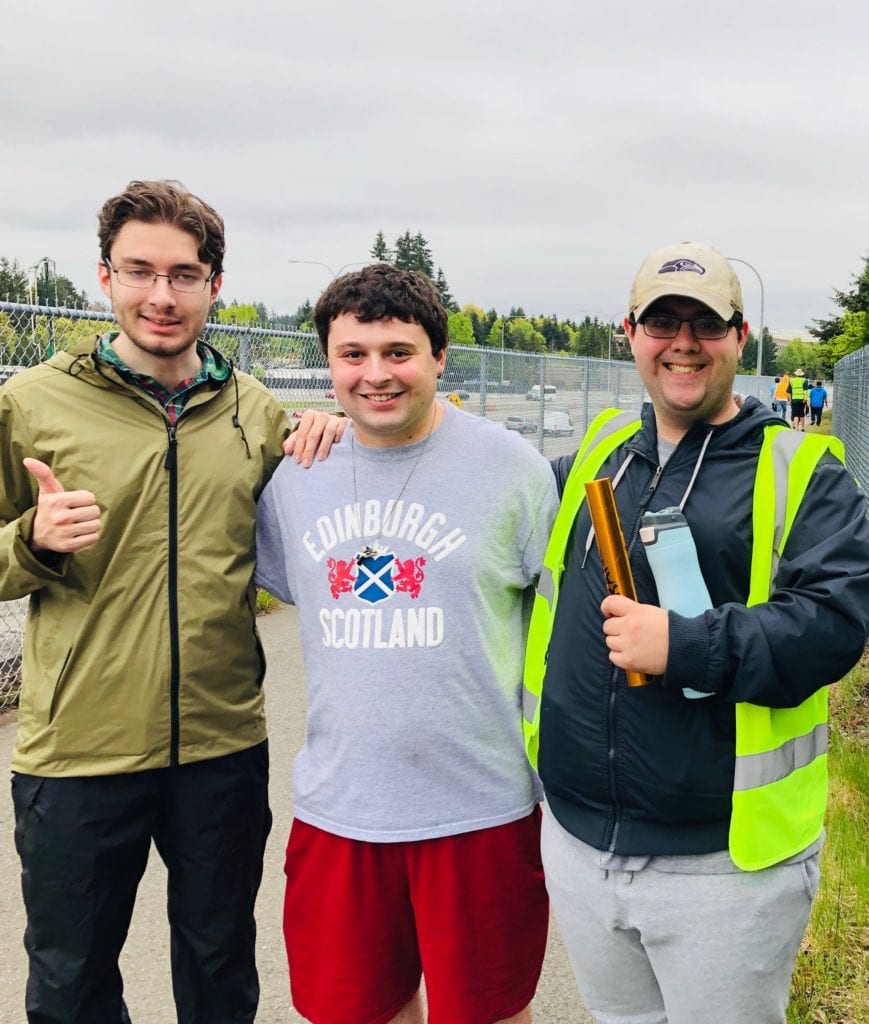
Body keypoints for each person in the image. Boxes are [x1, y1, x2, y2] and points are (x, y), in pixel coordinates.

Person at [0, 179, 341, 1024]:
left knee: (220, 964)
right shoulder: (30, 404)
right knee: (71, 982)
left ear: (214, 284)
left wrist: (336, 424)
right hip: (79, 750)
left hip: (221, 748)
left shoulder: (255, 412)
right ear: (104, 276)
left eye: (184, 274)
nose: (161, 294)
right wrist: (29, 542)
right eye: (139, 271)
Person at [523, 241, 869, 1024]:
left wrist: (685, 647)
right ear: (630, 333)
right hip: (578, 839)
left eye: (704, 324)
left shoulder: (801, 470)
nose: (682, 342)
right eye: (661, 322)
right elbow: (488, 502)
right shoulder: (603, 448)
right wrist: (359, 431)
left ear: (739, 337)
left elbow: (833, 626)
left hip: (720, 865)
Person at [255, 264, 559, 1024]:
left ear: (438, 358)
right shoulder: (295, 476)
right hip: (341, 809)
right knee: (352, 1010)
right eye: (352, 354)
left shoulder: (510, 468)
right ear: (328, 363)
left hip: (479, 808)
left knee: (483, 1011)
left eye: (398, 352)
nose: (375, 374)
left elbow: (563, 634)